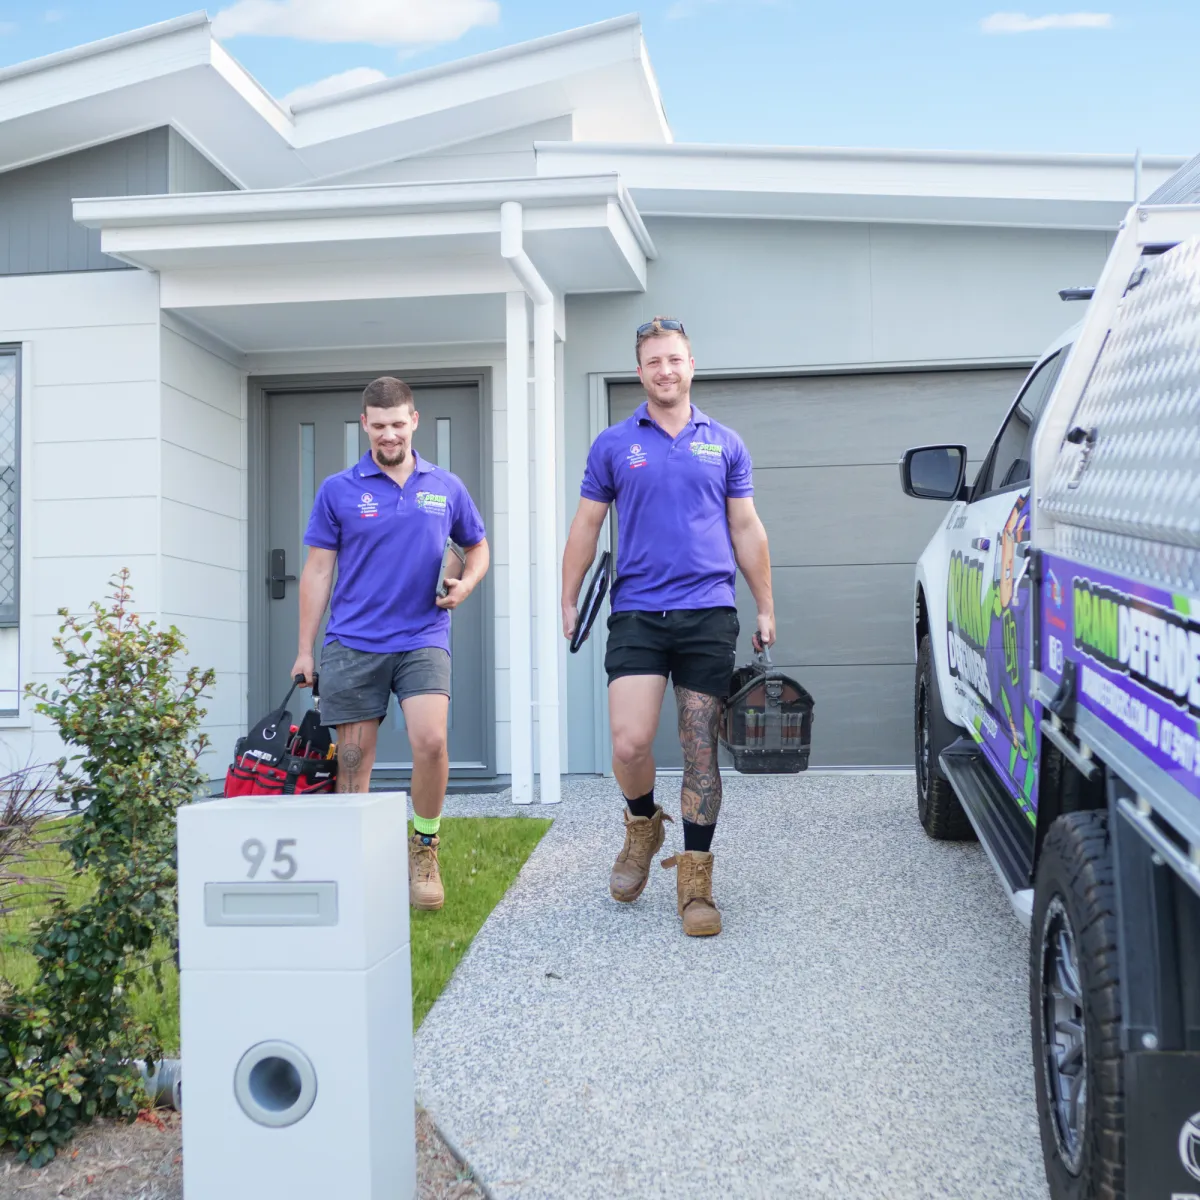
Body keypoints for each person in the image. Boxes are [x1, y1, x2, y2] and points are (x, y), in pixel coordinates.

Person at [561, 317, 775, 937]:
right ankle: (643, 825)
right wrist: (569, 595)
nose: (665, 370)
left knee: (699, 745)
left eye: (674, 359)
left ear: (691, 364)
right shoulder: (613, 444)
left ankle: (697, 881)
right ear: (640, 371)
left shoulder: (725, 443)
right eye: (654, 361)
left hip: (708, 610)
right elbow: (585, 524)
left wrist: (764, 604)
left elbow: (746, 529)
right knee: (629, 743)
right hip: (637, 612)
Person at [292, 376, 489, 911]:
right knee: (354, 761)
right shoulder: (339, 489)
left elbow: (477, 547)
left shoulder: (444, 486)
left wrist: (465, 584)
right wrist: (306, 650)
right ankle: (355, 864)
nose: (389, 434)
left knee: (431, 743)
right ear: (365, 425)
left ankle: (424, 847)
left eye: (398, 424)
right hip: (354, 641)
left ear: (414, 421)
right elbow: (316, 572)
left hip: (423, 635)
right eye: (379, 426)